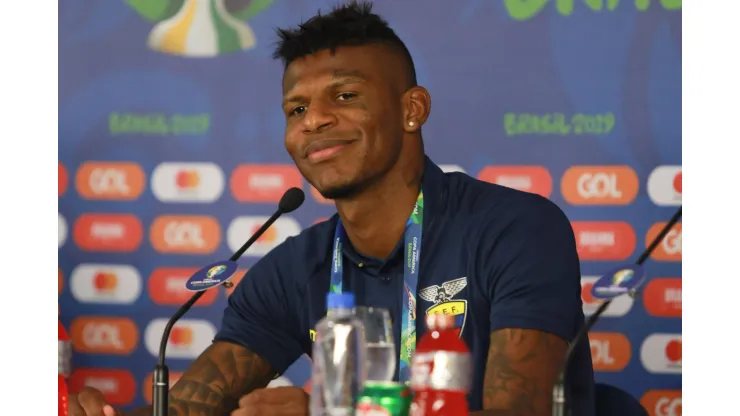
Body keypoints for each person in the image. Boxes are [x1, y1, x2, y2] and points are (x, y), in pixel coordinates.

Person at [70, 2, 594, 415]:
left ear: (412, 110)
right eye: (296, 108)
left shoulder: (516, 229)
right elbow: (189, 407)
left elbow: (520, 412)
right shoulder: (294, 269)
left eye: (344, 96)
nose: (313, 120)